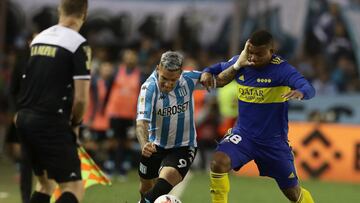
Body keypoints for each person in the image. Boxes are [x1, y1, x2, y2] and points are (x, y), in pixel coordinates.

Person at [201, 30, 316, 203]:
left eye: (259, 54)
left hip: (273, 142)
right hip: (244, 136)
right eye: (251, 52)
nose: (253, 58)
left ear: (271, 51)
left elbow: (308, 87)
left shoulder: (282, 70)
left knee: (293, 193)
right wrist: (206, 72)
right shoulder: (242, 62)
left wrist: (300, 92)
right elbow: (217, 67)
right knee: (218, 162)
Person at [14, 0, 90, 203]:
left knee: (46, 184)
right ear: (85, 12)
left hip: (24, 118)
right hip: (50, 122)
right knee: (73, 187)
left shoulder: (39, 38)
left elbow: (25, 80)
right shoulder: (78, 44)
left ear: (60, 10)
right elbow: (82, 99)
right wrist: (75, 124)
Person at [136, 51, 201, 203]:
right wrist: (144, 143)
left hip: (184, 145)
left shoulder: (189, 79)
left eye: (173, 79)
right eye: (164, 78)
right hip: (155, 145)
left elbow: (220, 79)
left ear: (180, 73)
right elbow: (141, 123)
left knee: (163, 182)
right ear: (158, 68)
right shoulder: (149, 88)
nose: (168, 83)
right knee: (145, 188)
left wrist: (238, 64)